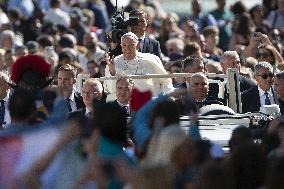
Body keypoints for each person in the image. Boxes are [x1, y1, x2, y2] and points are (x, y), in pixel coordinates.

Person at [104, 32, 173, 101]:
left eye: (131, 45)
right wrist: (112, 72)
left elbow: (165, 81)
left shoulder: (151, 59)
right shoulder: (114, 63)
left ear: (137, 46)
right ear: (121, 46)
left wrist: (167, 97)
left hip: (151, 103)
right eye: (124, 45)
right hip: (126, 106)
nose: (127, 48)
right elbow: (111, 90)